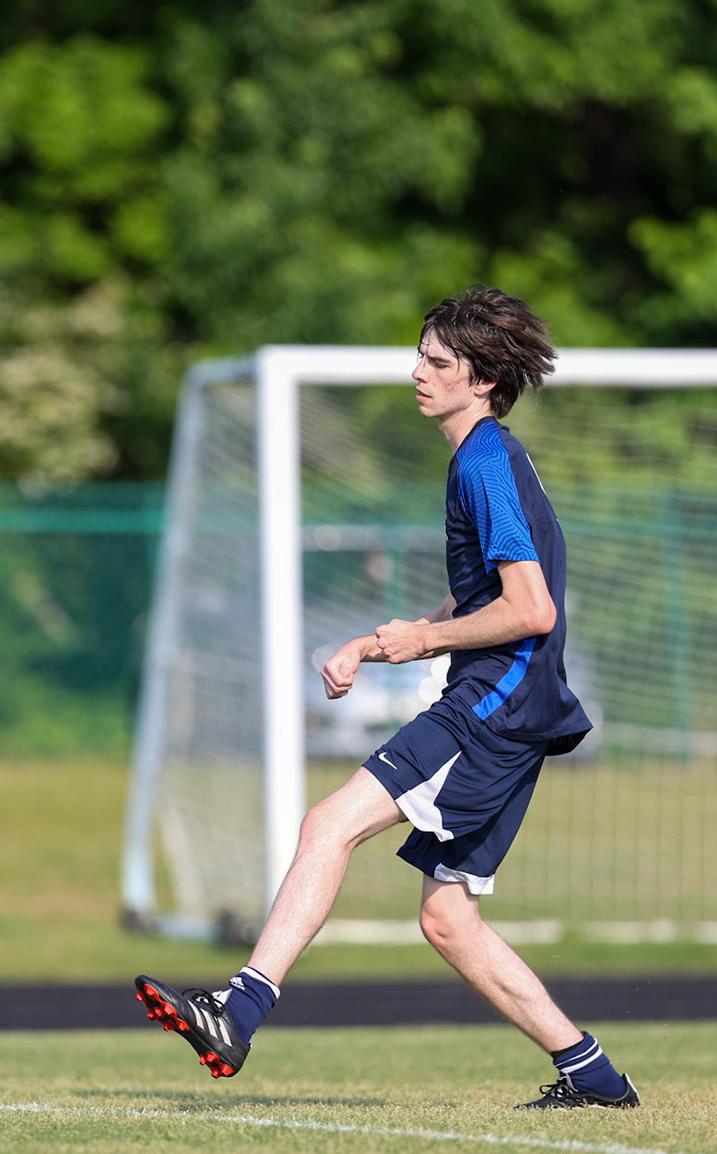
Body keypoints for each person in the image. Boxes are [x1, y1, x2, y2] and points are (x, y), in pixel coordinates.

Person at [134, 287, 637, 1109]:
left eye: (437, 362)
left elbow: (532, 609)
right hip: (515, 704)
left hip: (495, 703)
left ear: (482, 380)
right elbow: (484, 599)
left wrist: (426, 642)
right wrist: (376, 642)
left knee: (328, 824)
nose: (418, 374)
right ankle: (597, 1080)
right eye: (420, 356)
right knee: (448, 921)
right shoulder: (485, 455)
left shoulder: (482, 460)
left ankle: (240, 1007)